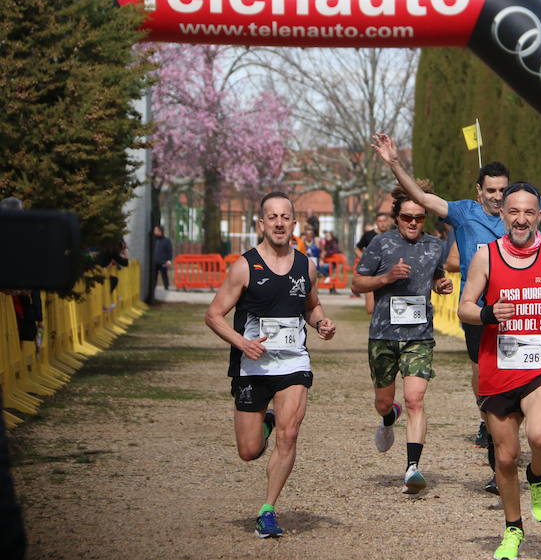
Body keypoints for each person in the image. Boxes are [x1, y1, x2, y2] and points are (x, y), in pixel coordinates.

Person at [372, 115, 541, 493]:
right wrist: (394, 163)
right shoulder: (463, 212)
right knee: (484, 377)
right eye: (490, 190)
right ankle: (490, 419)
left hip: (523, 315)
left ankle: (506, 447)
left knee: (520, 386)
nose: (495, 196)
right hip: (480, 314)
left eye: (502, 191)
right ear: (479, 192)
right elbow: (422, 199)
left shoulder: (518, 217)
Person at [457, 181, 541, 560]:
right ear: (502, 214)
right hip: (497, 364)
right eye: (513, 211)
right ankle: (513, 529)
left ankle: (538, 476)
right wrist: (486, 313)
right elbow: (464, 307)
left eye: (529, 212)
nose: (521, 218)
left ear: (539, 216)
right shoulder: (487, 256)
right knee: (506, 456)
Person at [204, 192, 336, 538]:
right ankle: (266, 422)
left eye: (285, 217)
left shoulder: (305, 265)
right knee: (249, 452)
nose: (279, 223)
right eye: (272, 217)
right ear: (261, 223)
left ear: (294, 223)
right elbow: (214, 315)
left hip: (293, 362)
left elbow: (311, 306)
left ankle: (267, 510)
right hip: (253, 366)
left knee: (289, 435)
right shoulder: (244, 266)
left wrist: (321, 323)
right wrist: (241, 342)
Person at [350, 184, 453, 494]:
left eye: (419, 218)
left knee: (415, 400)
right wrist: (385, 278)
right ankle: (387, 417)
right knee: (384, 401)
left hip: (419, 336)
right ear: (396, 217)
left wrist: (439, 285)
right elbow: (356, 282)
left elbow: (435, 274)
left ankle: (412, 468)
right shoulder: (380, 244)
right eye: (407, 217)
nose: (412, 223)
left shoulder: (434, 246)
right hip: (383, 334)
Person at [152, 225, 173, 291]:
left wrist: (169, 260)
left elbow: (170, 251)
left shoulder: (166, 241)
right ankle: (153, 289)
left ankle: (166, 287)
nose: (154, 232)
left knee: (164, 275)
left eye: (156, 230)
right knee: (153, 276)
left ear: (160, 231)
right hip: (154, 262)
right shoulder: (153, 240)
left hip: (163, 262)